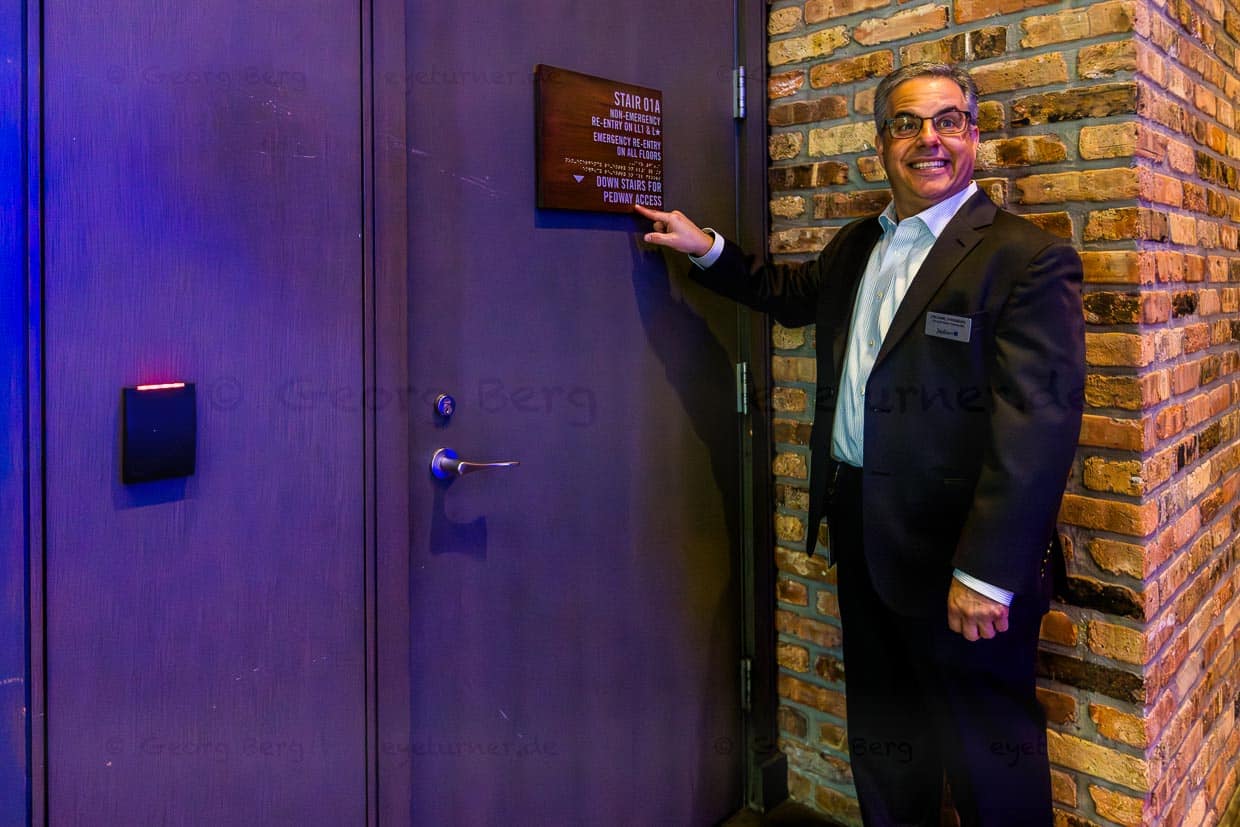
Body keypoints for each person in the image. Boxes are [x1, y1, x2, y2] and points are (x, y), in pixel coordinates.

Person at [636, 62, 1083, 826]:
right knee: (885, 740)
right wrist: (703, 245)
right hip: (864, 533)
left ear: (974, 134)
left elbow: (1036, 425)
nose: (928, 140)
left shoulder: (1023, 257)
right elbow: (789, 295)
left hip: (961, 560)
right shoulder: (860, 244)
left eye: (948, 121)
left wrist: (987, 573)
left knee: (988, 755)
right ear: (882, 143)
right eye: (907, 124)